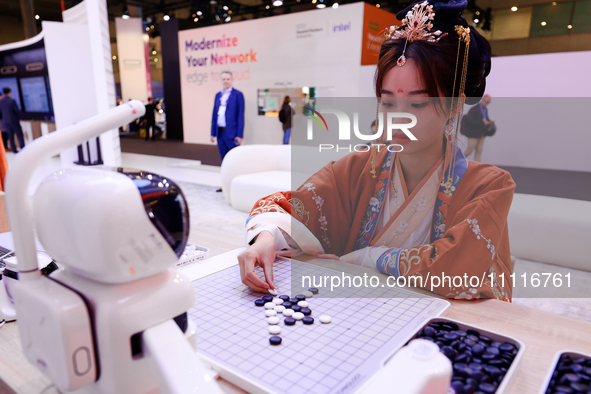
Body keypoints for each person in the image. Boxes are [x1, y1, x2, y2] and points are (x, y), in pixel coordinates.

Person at [237, 0, 514, 302]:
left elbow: (461, 270)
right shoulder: (358, 169)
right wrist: (267, 238)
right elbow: (292, 209)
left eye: (417, 104)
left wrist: (372, 257)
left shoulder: (489, 187)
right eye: (387, 102)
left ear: (455, 105)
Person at [210, 71, 245, 161]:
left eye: (228, 79)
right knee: (224, 158)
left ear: (232, 80)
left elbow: (240, 116)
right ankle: (226, 174)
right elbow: (214, 115)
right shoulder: (218, 95)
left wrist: (239, 135)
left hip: (232, 133)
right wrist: (213, 132)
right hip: (220, 133)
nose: (226, 81)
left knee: (233, 159)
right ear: (221, 80)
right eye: (224, 79)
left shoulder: (238, 95)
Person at [462, 94, 494, 162]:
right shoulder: (474, 109)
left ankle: (478, 167)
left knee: (479, 151)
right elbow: (470, 122)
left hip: (481, 133)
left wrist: (489, 122)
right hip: (473, 134)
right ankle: (457, 161)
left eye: (488, 102)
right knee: (469, 150)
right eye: (486, 102)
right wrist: (483, 123)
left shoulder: (485, 109)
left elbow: (485, 119)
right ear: (483, 99)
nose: (487, 104)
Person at [0, 88, 25, 153]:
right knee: (19, 135)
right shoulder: (12, 101)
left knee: (10, 135)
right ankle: (23, 148)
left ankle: (14, 149)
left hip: (5, 121)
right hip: (13, 120)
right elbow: (16, 111)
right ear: (9, 92)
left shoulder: (1, 102)